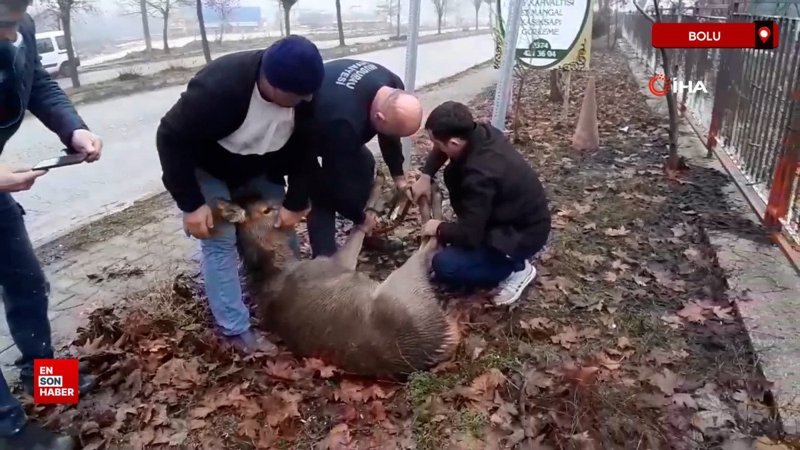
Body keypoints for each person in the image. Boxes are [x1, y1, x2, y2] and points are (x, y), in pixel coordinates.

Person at [155, 35, 324, 355]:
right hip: (212, 169)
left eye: (309, 94)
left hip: (262, 166)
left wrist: (297, 201)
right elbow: (170, 137)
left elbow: (307, 147)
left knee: (280, 232)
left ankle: (290, 305)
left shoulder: (306, 92)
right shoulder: (219, 89)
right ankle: (234, 329)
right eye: (297, 96)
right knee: (221, 239)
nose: (306, 100)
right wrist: (191, 204)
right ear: (272, 84)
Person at [1, 1, 101, 448]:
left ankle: (42, 377)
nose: (9, 36)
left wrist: (72, 129)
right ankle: (9, 432)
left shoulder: (18, 26)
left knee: (27, 283)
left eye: (12, 22)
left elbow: (37, 81)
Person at [413, 101, 551, 306]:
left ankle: (516, 269)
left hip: (520, 235)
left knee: (445, 265)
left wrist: (439, 228)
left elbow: (470, 236)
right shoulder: (481, 132)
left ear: (454, 144)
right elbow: (445, 146)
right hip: (511, 215)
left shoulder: (480, 176)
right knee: (454, 178)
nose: (437, 148)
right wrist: (426, 175)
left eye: (438, 144)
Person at [304, 58, 423, 257]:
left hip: (337, 123)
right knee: (322, 193)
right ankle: (324, 259)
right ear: (378, 117)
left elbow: (389, 136)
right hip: (303, 134)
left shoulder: (392, 84)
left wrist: (399, 178)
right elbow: (337, 183)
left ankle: (365, 233)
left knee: (365, 163)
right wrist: (360, 217)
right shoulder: (344, 123)